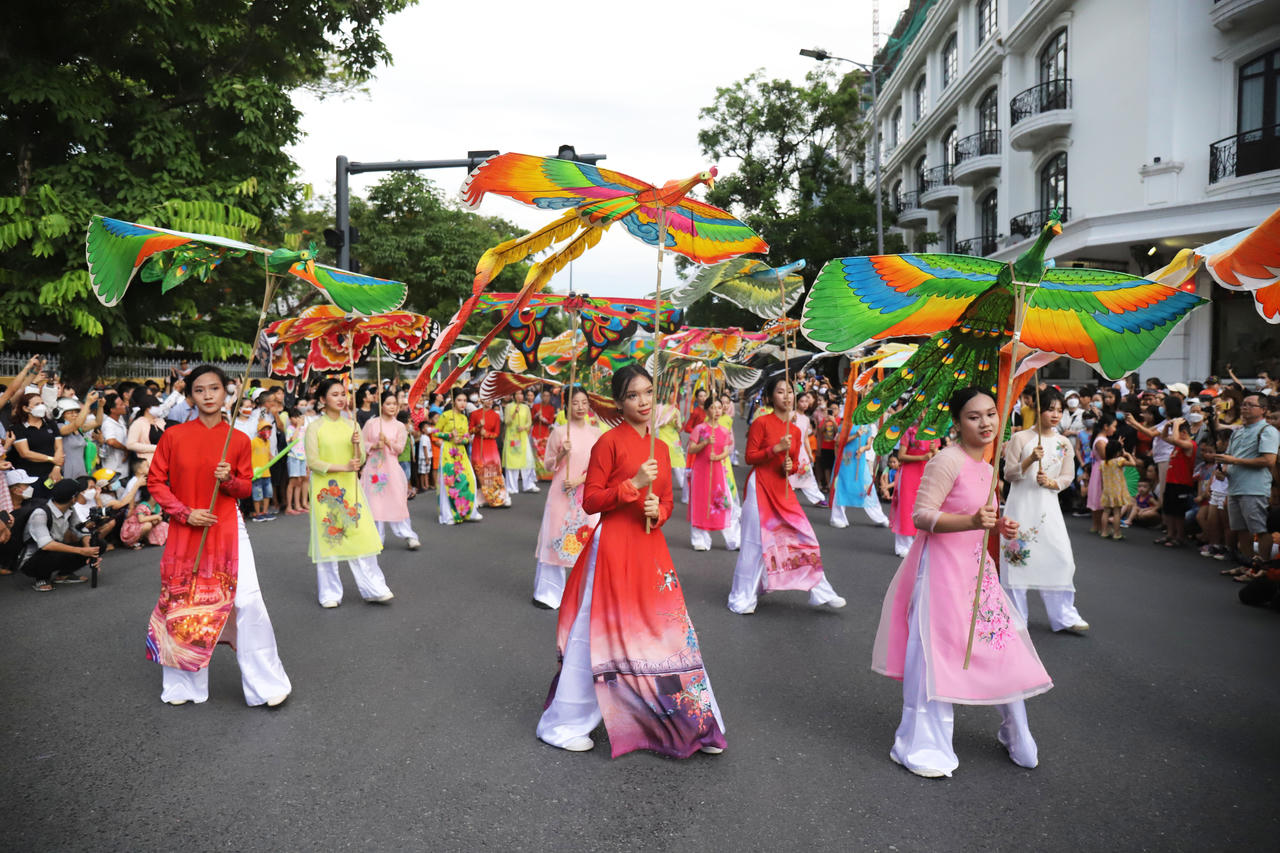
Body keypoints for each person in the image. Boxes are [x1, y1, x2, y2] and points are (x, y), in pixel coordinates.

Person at [537, 364, 726, 757]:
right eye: (633, 395)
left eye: (648, 393)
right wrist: (633, 486)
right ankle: (564, 722)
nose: (643, 401)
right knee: (598, 634)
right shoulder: (608, 443)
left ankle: (696, 722)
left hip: (651, 549)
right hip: (612, 548)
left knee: (671, 631)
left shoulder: (661, 446)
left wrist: (658, 509)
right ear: (619, 403)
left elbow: (669, 501)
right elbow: (591, 501)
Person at [872, 387, 1052, 778]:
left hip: (977, 572)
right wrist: (972, 522)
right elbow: (921, 516)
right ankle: (921, 744)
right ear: (956, 423)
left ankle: (1016, 733)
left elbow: (980, 519)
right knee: (934, 657)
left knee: (1002, 645)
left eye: (991, 414)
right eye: (974, 416)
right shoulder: (946, 461)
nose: (985, 422)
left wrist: (1000, 525)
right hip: (938, 572)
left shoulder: (989, 469)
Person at [144, 365, 291, 706]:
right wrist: (184, 512)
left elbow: (244, 489)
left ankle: (266, 685)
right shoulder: (173, 436)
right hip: (185, 529)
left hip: (227, 529)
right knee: (185, 602)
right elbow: (155, 482)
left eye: (214, 388)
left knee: (248, 602)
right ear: (190, 395)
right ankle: (182, 685)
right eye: (199, 390)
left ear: (227, 392)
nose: (208, 395)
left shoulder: (238, 439)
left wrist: (227, 480)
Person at [728, 374, 846, 614]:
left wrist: (788, 464)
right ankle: (743, 597)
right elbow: (751, 457)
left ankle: (821, 592)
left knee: (803, 537)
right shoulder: (761, 423)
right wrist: (775, 449)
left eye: (790, 391)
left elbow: (791, 462)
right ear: (771, 397)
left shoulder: (795, 429)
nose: (787, 396)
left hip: (782, 488)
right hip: (759, 487)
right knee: (754, 543)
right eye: (781, 391)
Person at [999, 389, 1089, 633]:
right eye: (1051, 409)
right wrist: (1029, 460)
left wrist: (1053, 483)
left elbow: (1068, 475)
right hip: (1020, 505)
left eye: (1060, 410)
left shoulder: (1063, 443)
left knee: (1061, 558)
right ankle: (1016, 617)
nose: (1056, 415)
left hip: (1048, 507)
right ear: (1038, 410)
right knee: (1016, 560)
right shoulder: (1021, 439)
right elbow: (1008, 474)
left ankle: (1063, 615)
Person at [305, 378, 394, 608]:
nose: (341, 398)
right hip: (325, 491)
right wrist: (343, 467)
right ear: (323, 400)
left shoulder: (352, 425)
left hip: (351, 488)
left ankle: (374, 588)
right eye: (334, 394)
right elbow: (313, 461)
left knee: (360, 534)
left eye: (343, 393)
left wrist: (357, 445)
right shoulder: (315, 427)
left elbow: (360, 460)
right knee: (330, 538)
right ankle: (330, 593)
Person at [532, 386, 603, 609]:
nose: (580, 407)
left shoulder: (596, 432)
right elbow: (548, 464)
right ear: (566, 405)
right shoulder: (559, 432)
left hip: (587, 493)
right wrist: (563, 453)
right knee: (556, 538)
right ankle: (548, 594)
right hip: (561, 493)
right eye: (575, 403)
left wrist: (580, 481)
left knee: (589, 540)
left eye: (584, 402)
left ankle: (585, 596)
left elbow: (600, 467)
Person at [1208, 394, 1279, 570]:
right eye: (1243, 404)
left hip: (1254, 489)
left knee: (1261, 530)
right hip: (1235, 488)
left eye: (1250, 405)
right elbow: (1231, 458)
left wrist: (1233, 462)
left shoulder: (1267, 431)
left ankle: (1261, 570)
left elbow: (1268, 461)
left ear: (1263, 410)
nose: (1244, 407)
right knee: (1242, 530)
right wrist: (1223, 471)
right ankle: (1248, 565)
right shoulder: (1238, 431)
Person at [360, 391, 420, 550]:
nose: (392, 407)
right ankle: (376, 538)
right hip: (374, 469)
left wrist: (387, 442)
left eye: (394, 403)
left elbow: (400, 449)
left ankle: (409, 535)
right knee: (375, 503)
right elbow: (361, 444)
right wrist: (373, 445)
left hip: (392, 468)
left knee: (398, 502)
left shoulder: (400, 426)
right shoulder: (371, 424)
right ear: (381, 405)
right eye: (388, 403)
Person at [17, 478, 99, 591]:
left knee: (98, 544)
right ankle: (41, 578)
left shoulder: (70, 509)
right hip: (32, 559)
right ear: (73, 498)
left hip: (56, 550)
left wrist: (90, 550)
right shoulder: (40, 513)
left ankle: (64, 574)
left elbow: (81, 530)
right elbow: (46, 545)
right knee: (54, 550)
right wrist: (82, 551)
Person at [687, 397, 741, 552]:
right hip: (701, 471)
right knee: (700, 504)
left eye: (719, 407)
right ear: (706, 410)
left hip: (718, 471)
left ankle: (733, 540)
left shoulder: (724, 431)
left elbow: (726, 450)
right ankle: (700, 540)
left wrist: (718, 457)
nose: (717, 411)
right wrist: (704, 443)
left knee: (724, 504)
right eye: (713, 407)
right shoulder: (700, 429)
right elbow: (691, 449)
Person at [890, 424, 940, 557]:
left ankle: (917, 544)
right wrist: (922, 457)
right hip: (908, 474)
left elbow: (937, 456)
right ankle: (902, 545)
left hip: (926, 474)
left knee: (922, 508)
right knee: (906, 508)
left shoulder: (934, 433)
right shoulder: (909, 431)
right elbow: (901, 456)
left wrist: (934, 451)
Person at [831, 421, 890, 528]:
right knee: (841, 487)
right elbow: (838, 442)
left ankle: (879, 517)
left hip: (859, 461)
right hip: (846, 460)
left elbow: (868, 445)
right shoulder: (846, 424)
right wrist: (855, 435)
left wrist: (862, 449)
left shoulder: (867, 426)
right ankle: (837, 518)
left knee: (868, 488)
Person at [437, 389, 482, 525]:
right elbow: (435, 432)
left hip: (461, 452)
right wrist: (449, 436)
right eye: (459, 400)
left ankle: (469, 511)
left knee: (469, 478)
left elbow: (467, 437)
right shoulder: (445, 415)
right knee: (449, 482)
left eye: (464, 400)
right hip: (448, 452)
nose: (462, 403)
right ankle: (448, 515)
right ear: (453, 400)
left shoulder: (464, 417)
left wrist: (461, 440)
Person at [9, 392, 63, 497]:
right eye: (37, 404)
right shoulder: (18, 428)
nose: (41, 406)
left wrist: (57, 467)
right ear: (25, 408)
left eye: (42, 403)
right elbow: (25, 453)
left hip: (52, 474)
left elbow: (59, 447)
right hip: (31, 477)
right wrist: (51, 459)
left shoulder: (51, 424)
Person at [1157, 418, 1197, 548]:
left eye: (1178, 431)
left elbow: (1174, 439)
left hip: (1182, 483)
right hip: (1171, 481)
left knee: (1178, 512)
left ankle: (1180, 537)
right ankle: (1170, 534)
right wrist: (1167, 426)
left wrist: (1177, 424)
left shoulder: (1190, 444)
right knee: (1168, 509)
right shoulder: (1177, 446)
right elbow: (1164, 437)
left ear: (1184, 432)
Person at [787, 391, 826, 506]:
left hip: (802, 450)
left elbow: (805, 438)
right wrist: (790, 421)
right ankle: (786, 498)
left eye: (806, 401)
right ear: (796, 402)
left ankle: (818, 498)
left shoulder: (806, 418)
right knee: (788, 474)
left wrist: (809, 453)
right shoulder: (790, 414)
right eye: (801, 401)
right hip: (790, 449)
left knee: (806, 474)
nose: (804, 404)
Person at [470, 397, 511, 508]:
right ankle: (481, 497)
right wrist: (478, 427)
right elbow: (470, 430)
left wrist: (486, 433)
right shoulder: (474, 414)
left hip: (491, 446)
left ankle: (500, 496)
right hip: (478, 445)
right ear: (481, 400)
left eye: (491, 399)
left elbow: (496, 433)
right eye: (486, 399)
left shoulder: (496, 416)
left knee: (494, 471)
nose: (489, 401)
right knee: (479, 471)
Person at [503, 391, 539, 494]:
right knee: (512, 463)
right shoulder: (509, 407)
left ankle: (528, 485)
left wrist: (524, 427)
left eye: (521, 394)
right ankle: (511, 487)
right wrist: (514, 413)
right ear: (514, 396)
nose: (520, 396)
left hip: (523, 437)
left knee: (527, 461)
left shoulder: (526, 407)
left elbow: (529, 422)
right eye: (517, 394)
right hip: (512, 438)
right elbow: (507, 421)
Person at [655, 400, 688, 504]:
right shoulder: (659, 407)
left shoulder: (676, 409)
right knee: (664, 465)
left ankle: (684, 485)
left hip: (674, 439)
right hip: (663, 437)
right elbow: (659, 423)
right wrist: (669, 418)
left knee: (680, 462)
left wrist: (678, 422)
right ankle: (661, 489)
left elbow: (679, 428)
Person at [284, 408, 309, 515]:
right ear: (290, 419)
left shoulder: (303, 429)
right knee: (293, 481)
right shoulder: (290, 428)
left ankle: (298, 505)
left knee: (299, 481)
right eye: (295, 417)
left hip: (302, 457)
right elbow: (292, 440)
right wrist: (298, 427)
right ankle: (289, 506)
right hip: (293, 457)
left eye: (299, 417)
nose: (297, 419)